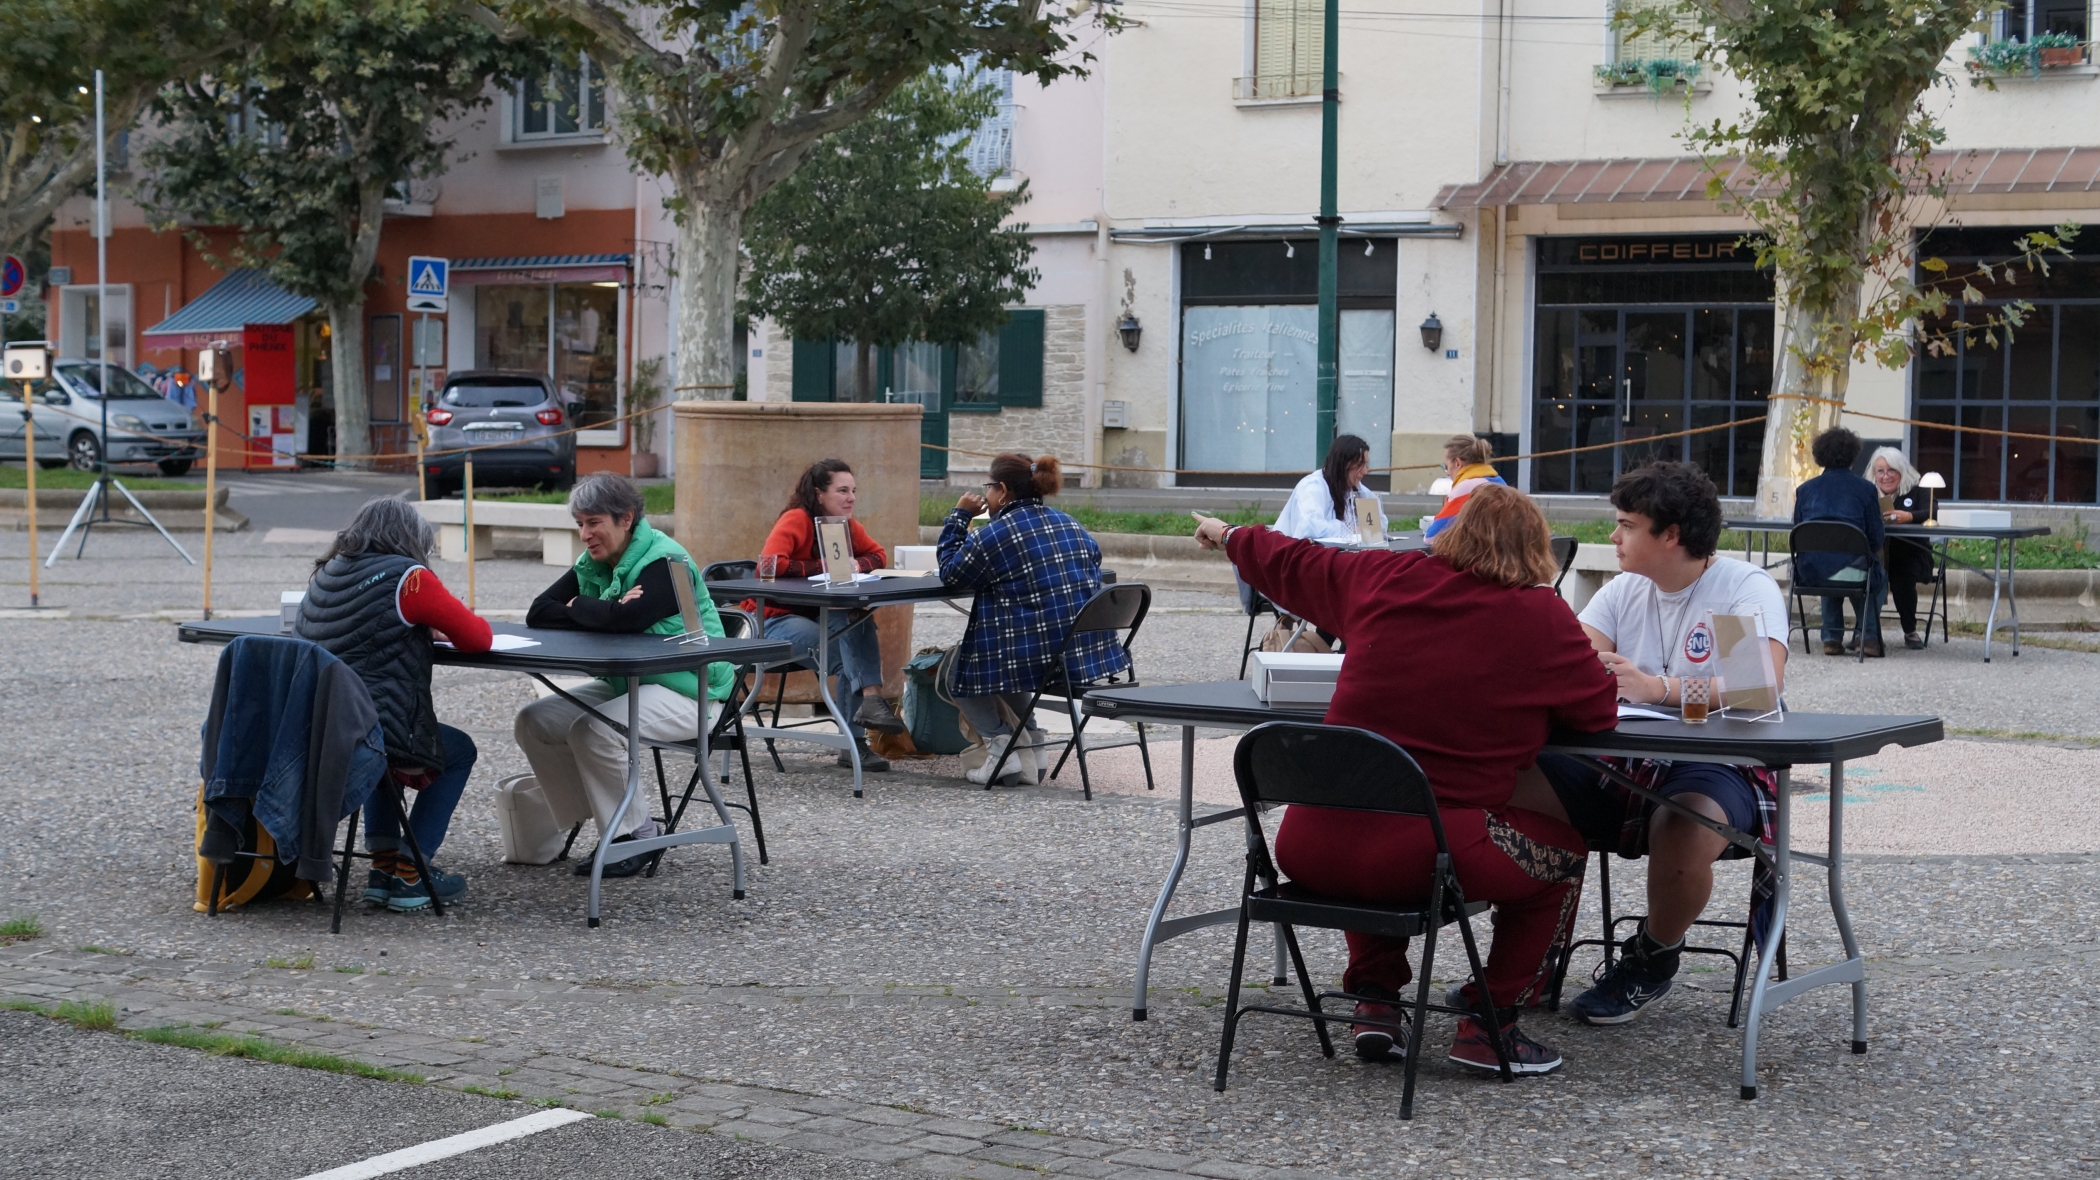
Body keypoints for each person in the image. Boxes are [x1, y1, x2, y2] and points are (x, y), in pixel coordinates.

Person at [1194, 484, 1616, 1075]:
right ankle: (1489, 1023)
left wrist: (1229, 535)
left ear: (1452, 534)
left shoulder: (1380, 576)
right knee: (1564, 859)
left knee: (1375, 810)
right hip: (1429, 851)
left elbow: (1292, 560)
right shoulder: (1538, 614)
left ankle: (1375, 1004)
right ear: (1537, 551)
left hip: (1309, 846)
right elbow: (1597, 713)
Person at [1513, 460, 1791, 1026]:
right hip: (1622, 761)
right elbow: (1567, 664)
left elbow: (1753, 689)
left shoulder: (1739, 588)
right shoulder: (1624, 591)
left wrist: (1655, 687)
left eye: (1626, 525)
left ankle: (1654, 956)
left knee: (1686, 823)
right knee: (1511, 781)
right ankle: (1525, 953)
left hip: (1721, 763)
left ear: (1670, 535)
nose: (1612, 537)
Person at [515, 474, 730, 878]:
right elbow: (539, 611)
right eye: (579, 523)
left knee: (592, 731)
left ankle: (633, 835)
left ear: (626, 518)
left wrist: (594, 609)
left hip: (692, 689)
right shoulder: (595, 563)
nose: (584, 535)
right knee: (534, 721)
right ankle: (604, 820)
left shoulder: (667, 562)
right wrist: (598, 608)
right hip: (630, 682)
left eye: (593, 522)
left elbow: (628, 620)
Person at [296, 497, 488, 912]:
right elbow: (478, 638)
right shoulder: (410, 579)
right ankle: (412, 872)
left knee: (380, 741)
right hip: (375, 732)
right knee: (455, 751)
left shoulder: (325, 573)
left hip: (323, 729)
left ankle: (382, 869)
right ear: (412, 540)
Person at [939, 453, 1123, 787]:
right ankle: (1034, 745)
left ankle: (1001, 749)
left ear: (1003, 490)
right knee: (1008, 650)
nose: (988, 494)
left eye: (990, 488)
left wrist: (959, 516)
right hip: (1084, 655)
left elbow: (952, 573)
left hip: (1036, 656)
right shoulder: (1071, 524)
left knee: (954, 668)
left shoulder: (994, 534)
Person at [748, 459, 907, 774]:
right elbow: (770, 565)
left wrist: (856, 566)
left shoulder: (844, 524)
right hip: (773, 618)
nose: (851, 498)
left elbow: (878, 555)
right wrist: (826, 566)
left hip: (817, 613)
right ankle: (856, 740)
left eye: (854, 491)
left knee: (856, 618)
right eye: (843, 491)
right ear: (819, 494)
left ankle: (864, 719)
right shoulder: (797, 519)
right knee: (848, 657)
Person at [1793, 427, 1886, 657]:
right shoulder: (1865, 489)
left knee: (1827, 562)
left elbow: (1799, 533)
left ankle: (1832, 637)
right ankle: (1868, 637)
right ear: (1853, 456)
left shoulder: (1804, 490)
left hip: (1811, 574)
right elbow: (1876, 537)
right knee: (1876, 575)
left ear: (1819, 456)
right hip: (1853, 571)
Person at [1869, 445, 1936, 649]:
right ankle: (1867, 632)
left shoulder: (1918, 488)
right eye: (1880, 471)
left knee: (1902, 576)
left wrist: (1910, 516)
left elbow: (1932, 511)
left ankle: (1910, 629)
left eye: (1891, 470)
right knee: (1868, 574)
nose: (1885, 476)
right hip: (1879, 553)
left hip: (1912, 553)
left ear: (1902, 471)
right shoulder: (1869, 492)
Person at [1272, 434, 1386, 542]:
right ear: (1343, 464)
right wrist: (1351, 529)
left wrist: (1367, 530)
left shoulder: (1361, 492)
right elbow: (1311, 527)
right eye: (1360, 464)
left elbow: (1377, 529)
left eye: (1366, 464)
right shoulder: (1312, 486)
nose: (1365, 471)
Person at [1422, 434, 1507, 539]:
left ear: (1457, 463)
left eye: (1446, 466)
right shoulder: (1500, 482)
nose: (1448, 473)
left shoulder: (1465, 488)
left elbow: (1432, 537)